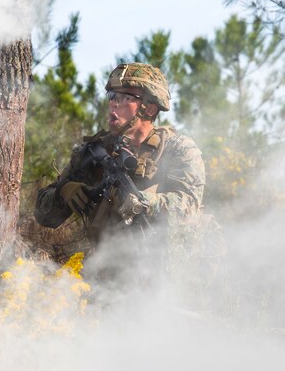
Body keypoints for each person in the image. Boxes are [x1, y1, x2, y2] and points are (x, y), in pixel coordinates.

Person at [34, 62, 205, 254]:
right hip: (102, 271)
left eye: (126, 97)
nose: (113, 103)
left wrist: (144, 203)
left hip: (160, 272)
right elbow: (43, 216)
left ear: (149, 108)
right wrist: (63, 192)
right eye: (112, 96)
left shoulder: (177, 149)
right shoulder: (94, 152)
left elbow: (188, 207)